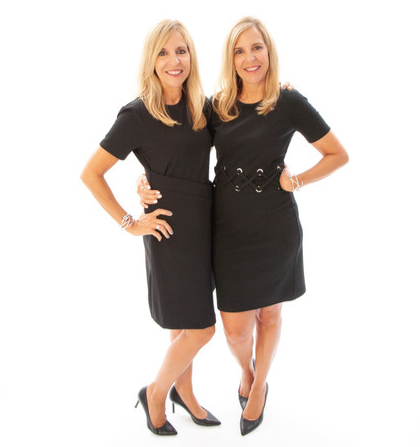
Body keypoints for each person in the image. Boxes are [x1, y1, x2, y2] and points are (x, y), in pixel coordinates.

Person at [138, 16, 349, 436]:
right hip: (227, 228)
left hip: (275, 226)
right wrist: (146, 182)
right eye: (239, 50)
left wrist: (297, 180)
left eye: (257, 47)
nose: (249, 58)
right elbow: (176, 145)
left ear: (269, 51)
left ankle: (257, 386)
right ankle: (246, 371)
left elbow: (337, 154)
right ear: (230, 59)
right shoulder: (217, 107)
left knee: (270, 314)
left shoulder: (289, 102)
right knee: (235, 329)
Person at [80, 19, 221, 436]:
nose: (173, 60)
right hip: (169, 231)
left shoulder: (202, 107)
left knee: (183, 322)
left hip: (204, 223)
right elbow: (91, 173)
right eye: (163, 52)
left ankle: (185, 392)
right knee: (202, 328)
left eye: (181, 51)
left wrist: (281, 92)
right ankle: (156, 393)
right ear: (151, 60)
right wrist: (129, 222)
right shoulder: (137, 114)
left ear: (191, 56)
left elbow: (244, 114)